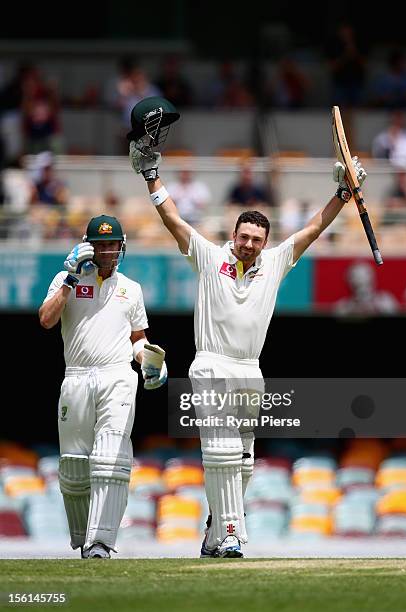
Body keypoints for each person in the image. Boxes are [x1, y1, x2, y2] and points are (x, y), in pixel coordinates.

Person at [128, 99, 366, 559]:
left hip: (249, 370)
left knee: (242, 462)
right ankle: (235, 531)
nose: (249, 244)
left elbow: (314, 228)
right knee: (218, 452)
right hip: (211, 364)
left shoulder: (275, 262)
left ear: (264, 241)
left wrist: (343, 193)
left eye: (257, 239)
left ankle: (217, 531)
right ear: (232, 235)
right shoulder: (210, 256)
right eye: (243, 237)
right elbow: (174, 220)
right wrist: (151, 177)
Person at [38, 214, 167, 558]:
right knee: (75, 466)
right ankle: (84, 540)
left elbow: (138, 339)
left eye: (113, 244)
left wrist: (151, 361)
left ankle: (101, 543)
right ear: (88, 246)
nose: (107, 251)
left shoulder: (131, 289)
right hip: (77, 376)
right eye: (101, 244)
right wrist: (69, 279)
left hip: (117, 376)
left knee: (111, 459)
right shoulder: (66, 279)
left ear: (121, 247)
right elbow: (46, 320)